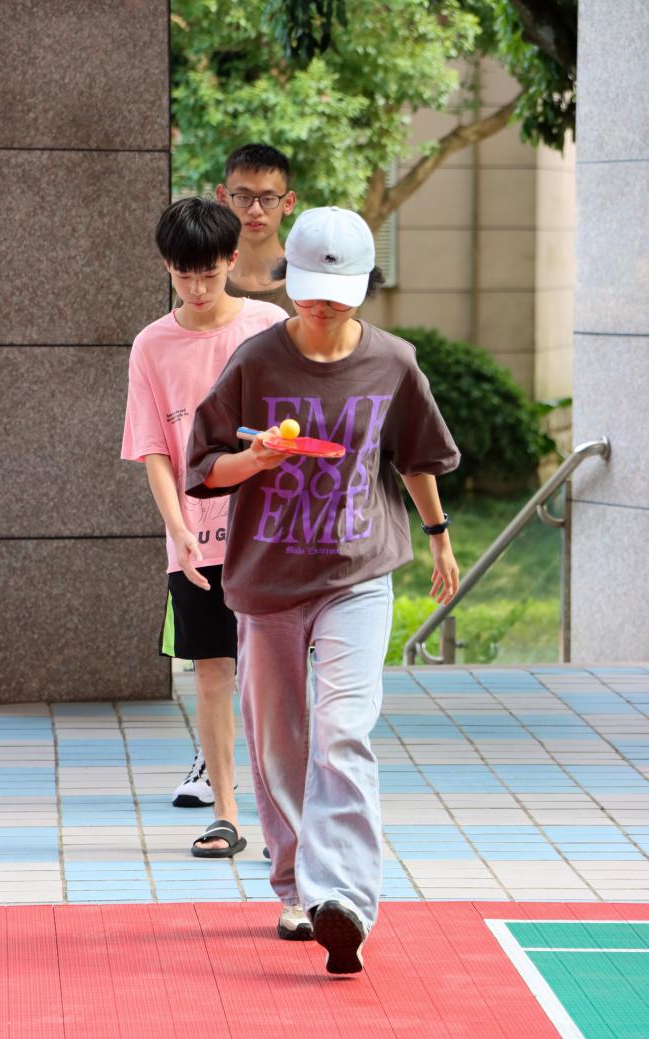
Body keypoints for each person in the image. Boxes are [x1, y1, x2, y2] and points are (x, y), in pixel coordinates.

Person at [185, 206, 460, 969]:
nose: (320, 304)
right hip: (267, 580)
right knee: (280, 742)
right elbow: (204, 464)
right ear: (287, 279)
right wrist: (256, 460)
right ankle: (295, 886)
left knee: (341, 729)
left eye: (336, 292)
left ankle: (344, 898)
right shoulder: (256, 361)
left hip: (356, 575)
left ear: (364, 285)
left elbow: (414, 456)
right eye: (307, 289)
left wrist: (438, 536)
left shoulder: (393, 362)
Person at [121, 196, 287, 857]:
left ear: (231, 260)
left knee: (274, 674)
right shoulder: (151, 344)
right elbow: (154, 450)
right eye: (182, 275)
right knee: (212, 671)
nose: (196, 289)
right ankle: (225, 813)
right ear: (167, 266)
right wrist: (178, 528)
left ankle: (285, 815)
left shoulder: (268, 326)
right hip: (194, 538)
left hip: (270, 533)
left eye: (209, 274)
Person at [216, 143, 297, 316]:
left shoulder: (309, 283)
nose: (255, 210)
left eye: (268, 198)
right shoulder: (201, 279)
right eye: (243, 197)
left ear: (288, 203)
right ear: (222, 198)